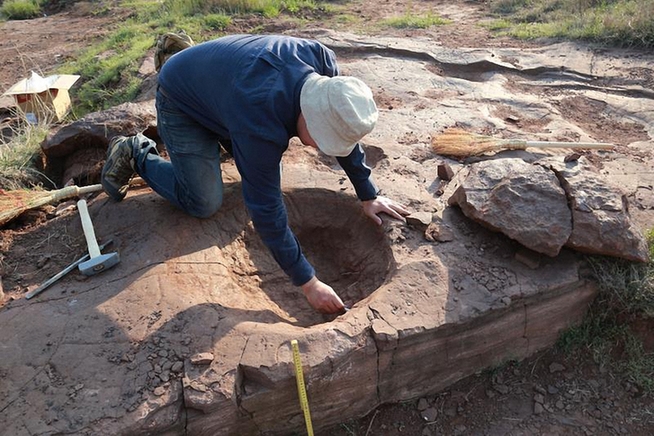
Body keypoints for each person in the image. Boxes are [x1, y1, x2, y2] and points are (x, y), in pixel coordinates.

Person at [101, 34, 409, 314]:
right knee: (203, 201)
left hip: (229, 86)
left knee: (252, 155)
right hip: (182, 99)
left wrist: (368, 193)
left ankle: (201, 73)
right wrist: (308, 282)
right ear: (308, 114)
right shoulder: (259, 118)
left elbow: (344, 133)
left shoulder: (324, 66)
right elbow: (264, 206)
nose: (320, 148)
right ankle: (135, 152)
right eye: (321, 137)